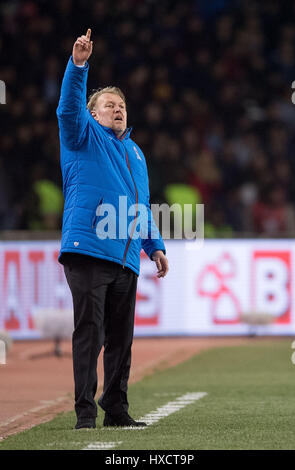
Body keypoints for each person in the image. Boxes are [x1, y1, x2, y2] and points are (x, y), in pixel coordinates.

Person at [56, 29, 169, 429]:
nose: (118, 109)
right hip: (88, 250)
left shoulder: (135, 152)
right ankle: (85, 414)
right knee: (90, 332)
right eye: (109, 105)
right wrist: (78, 65)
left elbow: (141, 205)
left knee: (121, 339)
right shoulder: (81, 135)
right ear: (93, 113)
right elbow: (68, 108)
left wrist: (155, 245)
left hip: (126, 257)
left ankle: (116, 410)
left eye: (121, 105)